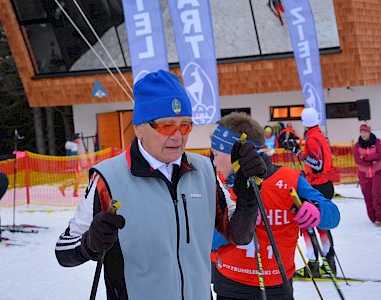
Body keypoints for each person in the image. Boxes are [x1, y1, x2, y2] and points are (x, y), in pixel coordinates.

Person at [54, 70, 266, 299]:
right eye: (167, 126)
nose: (178, 136)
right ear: (139, 128)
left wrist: (247, 195)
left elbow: (239, 235)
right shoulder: (108, 178)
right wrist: (89, 243)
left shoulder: (205, 170)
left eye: (185, 126)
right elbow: (63, 251)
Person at [210, 112, 340, 299]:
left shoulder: (287, 180)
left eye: (216, 154)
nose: (214, 162)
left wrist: (317, 211)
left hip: (276, 285)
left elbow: (333, 215)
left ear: (235, 152)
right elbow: (204, 240)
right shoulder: (218, 185)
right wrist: (236, 225)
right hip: (230, 285)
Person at [283, 107, 339, 277]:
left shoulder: (313, 139)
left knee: (309, 225)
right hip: (323, 184)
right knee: (321, 226)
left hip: (317, 185)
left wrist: (299, 153)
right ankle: (328, 264)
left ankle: (314, 265)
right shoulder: (319, 136)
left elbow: (318, 165)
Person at [353, 123, 381, 225]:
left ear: (369, 132)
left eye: (365, 132)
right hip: (364, 174)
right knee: (367, 196)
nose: (363, 134)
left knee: (377, 195)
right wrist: (370, 161)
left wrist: (364, 158)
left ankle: (379, 217)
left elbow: (379, 155)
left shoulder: (377, 142)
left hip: (377, 172)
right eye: (361, 132)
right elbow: (357, 159)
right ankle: (372, 217)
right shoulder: (357, 145)